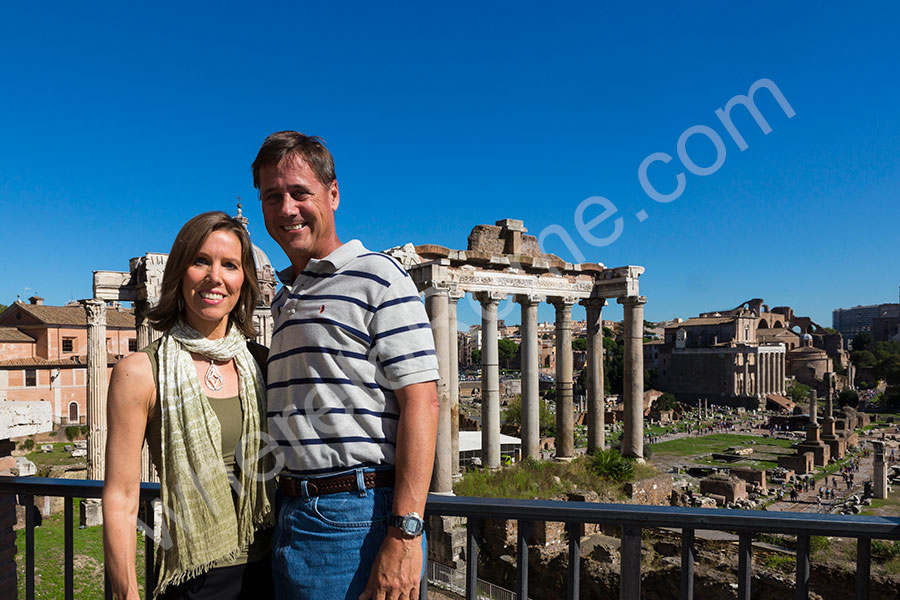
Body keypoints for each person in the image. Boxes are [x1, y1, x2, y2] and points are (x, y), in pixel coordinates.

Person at [252, 131, 440, 600]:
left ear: (332, 193)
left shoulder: (379, 277)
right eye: (272, 197)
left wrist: (405, 532)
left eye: (300, 192)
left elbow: (423, 401)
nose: (287, 208)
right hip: (291, 513)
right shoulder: (285, 298)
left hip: (355, 518)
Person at [103, 212, 275, 599]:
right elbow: (122, 496)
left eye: (230, 265)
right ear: (180, 273)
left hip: (275, 569)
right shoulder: (139, 372)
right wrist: (126, 593)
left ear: (243, 280)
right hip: (196, 578)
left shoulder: (264, 362)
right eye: (201, 261)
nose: (215, 277)